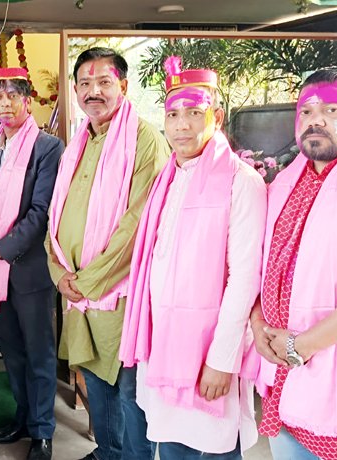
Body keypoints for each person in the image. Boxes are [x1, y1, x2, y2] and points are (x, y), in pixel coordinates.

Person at [119, 58, 265, 459]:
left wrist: (221, 360)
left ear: (216, 117)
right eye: (173, 115)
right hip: (164, 344)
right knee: (171, 444)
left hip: (207, 353)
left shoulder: (242, 182)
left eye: (194, 113)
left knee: (211, 446)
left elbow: (244, 279)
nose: (181, 125)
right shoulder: (166, 179)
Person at [250, 66, 337, 460]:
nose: (315, 120)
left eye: (332, 110)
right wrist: (258, 325)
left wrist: (301, 345)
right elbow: (264, 268)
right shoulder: (285, 183)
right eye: (307, 111)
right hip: (282, 376)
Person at [46, 47, 170, 460]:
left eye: (103, 82)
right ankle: (108, 453)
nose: (93, 91)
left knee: (129, 394)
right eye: (84, 83)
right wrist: (58, 273)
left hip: (121, 294)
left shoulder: (145, 140)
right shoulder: (78, 141)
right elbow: (55, 216)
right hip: (78, 292)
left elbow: (138, 226)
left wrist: (86, 282)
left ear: (124, 86)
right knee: (96, 386)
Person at [0, 67, 63, 460]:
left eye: (12, 96)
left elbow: (40, 214)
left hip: (28, 270)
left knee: (39, 354)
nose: (4, 104)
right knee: (13, 351)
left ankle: (43, 432)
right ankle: (22, 417)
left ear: (28, 101)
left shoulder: (48, 147)